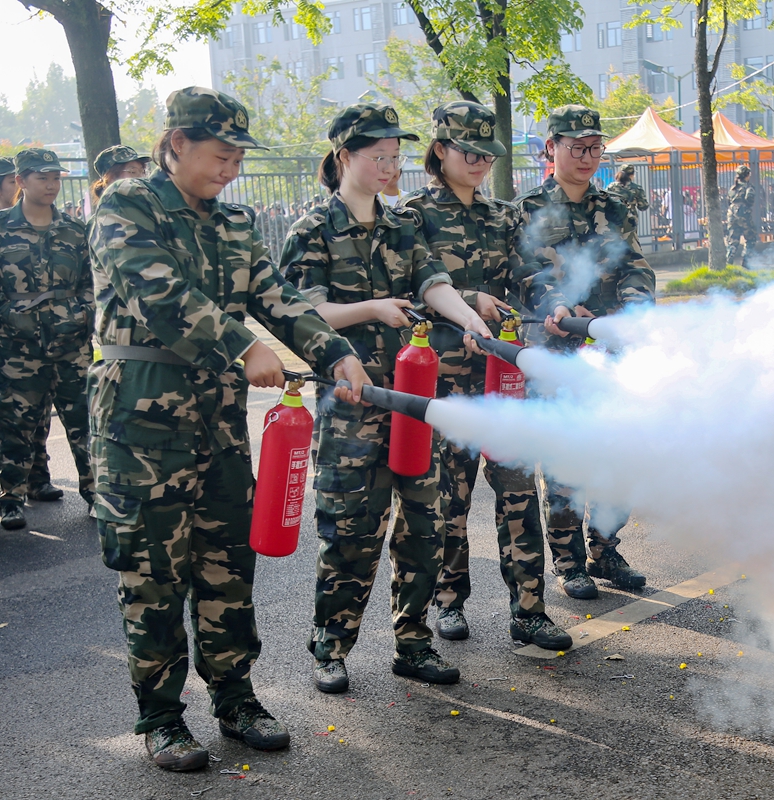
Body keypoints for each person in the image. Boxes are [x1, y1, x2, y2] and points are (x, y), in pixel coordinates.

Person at [88, 86, 369, 771]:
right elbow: (160, 296)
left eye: (240, 155)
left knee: (226, 570)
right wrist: (245, 347)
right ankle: (160, 718)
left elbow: (280, 299)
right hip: (139, 428)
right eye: (221, 153)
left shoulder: (238, 223)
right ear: (176, 144)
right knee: (153, 578)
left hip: (218, 428)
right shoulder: (127, 206)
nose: (232, 168)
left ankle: (237, 698)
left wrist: (337, 353)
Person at [281, 103, 494, 692]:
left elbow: (434, 283)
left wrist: (473, 325)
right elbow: (301, 313)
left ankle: (414, 641)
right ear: (345, 156)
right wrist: (372, 308)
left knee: (423, 527)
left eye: (396, 157)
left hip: (413, 403)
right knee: (350, 532)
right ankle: (332, 645)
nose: (390, 166)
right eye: (379, 156)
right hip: (351, 407)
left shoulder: (403, 224)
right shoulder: (312, 230)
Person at [402, 100, 573, 651]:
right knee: (450, 497)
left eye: (486, 153)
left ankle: (529, 610)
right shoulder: (412, 216)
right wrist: (465, 300)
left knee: (519, 492)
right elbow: (408, 295)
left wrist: (554, 305)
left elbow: (533, 275)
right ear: (440, 150)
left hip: (504, 378)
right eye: (468, 151)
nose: (478, 161)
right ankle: (449, 599)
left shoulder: (504, 216)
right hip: (445, 381)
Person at [514, 104, 655, 599]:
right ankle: (569, 560)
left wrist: (634, 311)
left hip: (610, 349)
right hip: (557, 350)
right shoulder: (529, 208)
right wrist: (557, 303)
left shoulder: (615, 207)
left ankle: (605, 548)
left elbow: (636, 266)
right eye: (577, 147)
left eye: (595, 147)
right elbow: (526, 272)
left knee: (618, 452)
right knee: (566, 458)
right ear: (551, 147)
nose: (587, 156)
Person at [0, 148, 95, 532]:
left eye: (56, 178)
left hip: (72, 346)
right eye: (43, 178)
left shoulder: (74, 230)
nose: (52, 185)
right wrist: (10, 319)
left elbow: (93, 284)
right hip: (16, 347)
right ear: (21, 182)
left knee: (85, 419)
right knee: (16, 424)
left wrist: (79, 316)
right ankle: (11, 497)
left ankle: (96, 494)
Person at [725, 165, 758, 265]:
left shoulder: (733, 188)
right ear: (747, 175)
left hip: (731, 215)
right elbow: (750, 201)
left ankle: (729, 261)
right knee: (751, 238)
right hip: (744, 215)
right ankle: (746, 261)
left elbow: (728, 202)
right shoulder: (748, 187)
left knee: (733, 240)